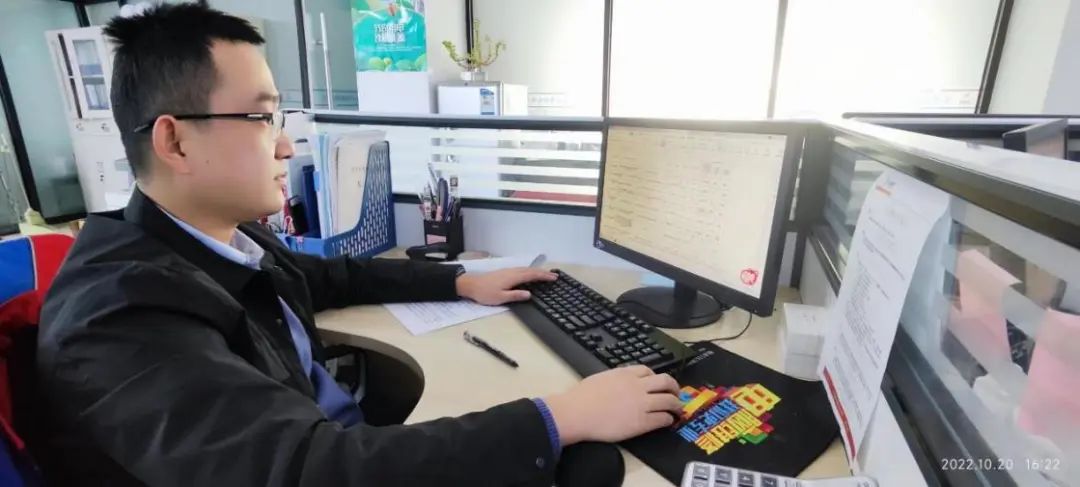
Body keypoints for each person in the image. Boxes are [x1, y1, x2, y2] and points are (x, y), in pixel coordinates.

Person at [37, 3, 683, 485]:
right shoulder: (121, 317)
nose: (284, 144)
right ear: (175, 141)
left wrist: (459, 281)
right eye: (261, 117)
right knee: (587, 460)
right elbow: (309, 469)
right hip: (329, 459)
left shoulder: (217, 238)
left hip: (335, 436)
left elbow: (331, 277)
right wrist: (558, 415)